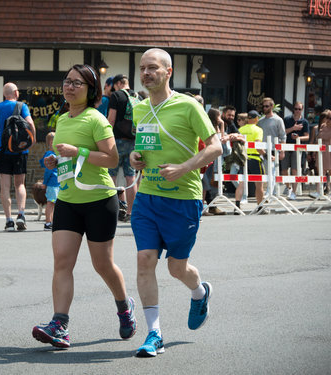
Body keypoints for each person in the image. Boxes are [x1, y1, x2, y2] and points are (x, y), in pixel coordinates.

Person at [32, 64, 137, 349]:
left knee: (102, 264)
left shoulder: (96, 120)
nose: (70, 87)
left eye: (77, 83)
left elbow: (112, 159)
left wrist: (78, 151)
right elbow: (67, 159)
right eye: (67, 81)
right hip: (67, 200)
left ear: (91, 90)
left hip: (99, 200)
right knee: (62, 261)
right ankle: (59, 324)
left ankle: (124, 307)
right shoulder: (63, 120)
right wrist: (56, 161)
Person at [129, 48, 222, 357]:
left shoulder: (187, 106)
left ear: (168, 72)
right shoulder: (140, 108)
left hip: (183, 199)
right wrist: (136, 158)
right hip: (147, 199)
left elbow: (216, 147)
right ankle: (154, 333)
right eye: (142, 68)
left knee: (176, 268)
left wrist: (184, 167)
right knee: (145, 261)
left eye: (152, 67)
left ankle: (200, 291)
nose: (145, 73)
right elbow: (145, 147)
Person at [0, 83, 36, 231]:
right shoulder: (22, 106)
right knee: (20, 184)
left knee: (5, 186)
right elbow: (30, 122)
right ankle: (21, 214)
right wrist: (33, 140)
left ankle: (8, 221)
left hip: (3, 149)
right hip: (19, 150)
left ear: (5, 94)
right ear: (16, 93)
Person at [107, 74, 140, 221]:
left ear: (119, 83)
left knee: (111, 175)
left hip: (118, 141)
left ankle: (112, 210)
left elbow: (111, 120)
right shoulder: (138, 97)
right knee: (130, 177)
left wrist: (105, 138)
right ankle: (131, 212)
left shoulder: (116, 96)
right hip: (133, 142)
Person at [235, 111, 266, 213]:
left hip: (243, 158)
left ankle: (237, 206)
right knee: (259, 184)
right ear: (256, 118)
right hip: (255, 159)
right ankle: (260, 207)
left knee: (241, 183)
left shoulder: (241, 129)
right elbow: (257, 145)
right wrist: (266, 155)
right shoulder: (258, 130)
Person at [257, 97, 286, 194]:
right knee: (265, 172)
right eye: (263, 106)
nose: (264, 108)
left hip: (274, 149)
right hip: (262, 150)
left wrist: (282, 151)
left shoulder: (278, 120)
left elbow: (283, 136)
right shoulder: (260, 121)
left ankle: (269, 193)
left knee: (272, 172)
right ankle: (271, 192)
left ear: (272, 106)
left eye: (266, 106)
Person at [282, 101, 309, 200]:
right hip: (286, 146)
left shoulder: (305, 122)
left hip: (297, 148)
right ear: (293, 109)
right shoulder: (287, 119)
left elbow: (307, 137)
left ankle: (294, 191)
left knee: (295, 169)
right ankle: (288, 187)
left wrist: (298, 138)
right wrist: (293, 128)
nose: (297, 111)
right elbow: (282, 132)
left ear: (302, 110)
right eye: (296, 109)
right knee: (284, 169)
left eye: (299, 109)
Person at [39, 132, 59, 231]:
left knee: (54, 203)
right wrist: (45, 183)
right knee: (51, 203)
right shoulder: (50, 155)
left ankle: (51, 221)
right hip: (52, 183)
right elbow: (48, 171)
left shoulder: (55, 154)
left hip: (56, 183)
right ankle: (48, 222)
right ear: (51, 142)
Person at [317, 109, 331, 194]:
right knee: (321, 171)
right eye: (328, 118)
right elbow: (319, 137)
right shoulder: (322, 126)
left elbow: (326, 136)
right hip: (323, 150)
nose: (328, 120)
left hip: (329, 151)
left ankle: (328, 190)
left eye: (330, 118)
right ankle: (319, 192)